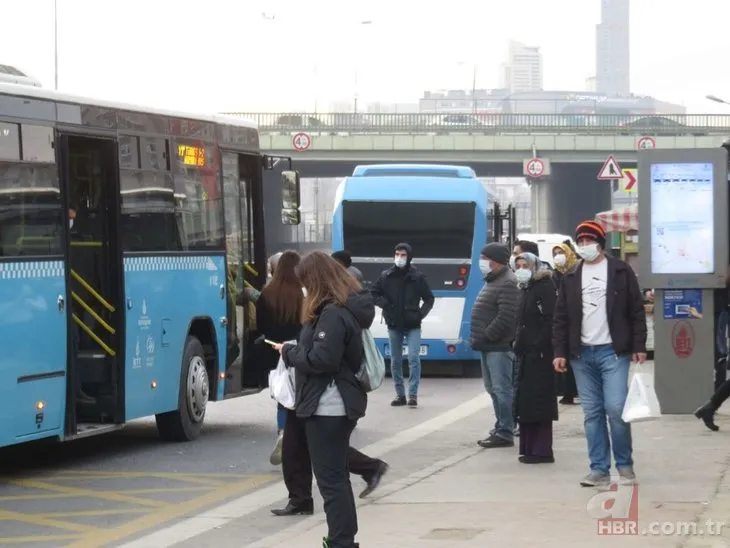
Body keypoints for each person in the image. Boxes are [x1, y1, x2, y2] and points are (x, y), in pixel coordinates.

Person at [275, 251, 374, 548]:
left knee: (331, 481)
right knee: (337, 477)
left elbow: (323, 360)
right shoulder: (339, 309)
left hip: (328, 404)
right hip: (333, 402)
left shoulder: (332, 314)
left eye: (305, 281)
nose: (303, 288)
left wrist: (290, 353)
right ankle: (343, 538)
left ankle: (341, 541)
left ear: (314, 280)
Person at [552, 221, 647, 487]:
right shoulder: (571, 275)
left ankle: (625, 466)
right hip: (581, 355)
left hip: (613, 352)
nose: (584, 246)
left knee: (616, 409)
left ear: (600, 243)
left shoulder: (620, 271)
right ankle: (598, 469)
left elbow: (636, 311)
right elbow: (560, 317)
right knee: (592, 413)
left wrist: (639, 345)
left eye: (588, 241)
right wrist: (560, 351)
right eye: (580, 241)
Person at [371, 243, 434, 407]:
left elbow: (429, 299)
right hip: (393, 323)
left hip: (413, 324)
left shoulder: (418, 277)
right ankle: (400, 395)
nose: (399, 258)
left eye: (403, 255)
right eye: (397, 254)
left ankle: (412, 395)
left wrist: (420, 314)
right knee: (395, 361)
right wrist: (384, 304)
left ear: (409, 257)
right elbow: (373, 293)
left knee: (413, 358)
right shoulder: (386, 276)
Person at [256, 250, 304, 466]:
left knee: (282, 395)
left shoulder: (267, 294)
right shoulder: (302, 294)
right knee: (300, 394)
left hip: (274, 350)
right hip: (297, 349)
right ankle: (297, 437)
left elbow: (261, 326)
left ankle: (283, 431)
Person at [469, 243, 519, 448]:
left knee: (501, 389)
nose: (481, 262)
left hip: (497, 346)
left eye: (484, 257)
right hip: (487, 345)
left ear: (496, 260)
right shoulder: (494, 280)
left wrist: (488, 334)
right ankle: (501, 425)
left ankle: (505, 430)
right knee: (492, 388)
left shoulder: (507, 282)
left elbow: (507, 315)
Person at [513, 252, 558, 463]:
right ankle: (529, 448)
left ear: (535, 266)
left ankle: (541, 450)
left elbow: (551, 319)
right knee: (527, 401)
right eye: (518, 265)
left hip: (540, 352)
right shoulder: (525, 289)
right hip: (526, 352)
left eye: (525, 264)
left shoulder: (545, 287)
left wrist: (538, 343)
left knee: (539, 400)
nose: (521, 268)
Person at [551, 243, 579, 405]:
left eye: (560, 252)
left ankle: (574, 390)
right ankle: (567, 391)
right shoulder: (554, 275)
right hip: (561, 322)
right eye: (555, 253)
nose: (558, 256)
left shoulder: (576, 271)